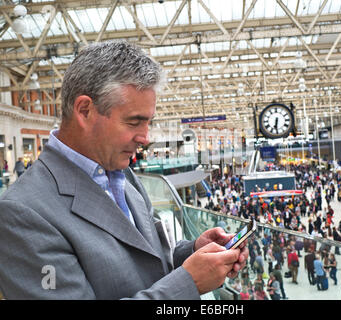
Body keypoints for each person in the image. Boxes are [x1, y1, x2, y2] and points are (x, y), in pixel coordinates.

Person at [0, 41, 248, 299]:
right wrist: (189, 283)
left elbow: (145, 260)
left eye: (148, 122)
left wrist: (193, 253)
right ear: (84, 110)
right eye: (134, 122)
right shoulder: (21, 213)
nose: (145, 137)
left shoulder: (121, 174)